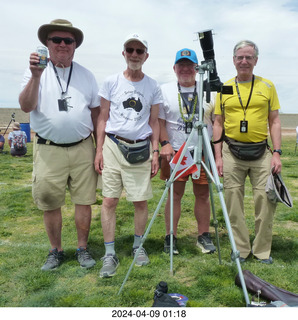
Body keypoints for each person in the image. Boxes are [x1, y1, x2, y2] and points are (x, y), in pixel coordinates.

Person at [19, 19, 100, 271]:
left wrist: (99, 149)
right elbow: (25, 106)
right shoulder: (34, 72)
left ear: (75, 46)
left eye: (69, 40)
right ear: (47, 43)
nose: (63, 44)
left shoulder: (86, 75)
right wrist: (35, 76)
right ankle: (55, 250)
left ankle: (82, 248)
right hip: (48, 149)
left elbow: (97, 115)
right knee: (49, 201)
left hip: (82, 147)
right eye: (57, 40)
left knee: (84, 201)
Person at [94, 33, 162, 278]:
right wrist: (98, 149)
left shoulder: (152, 86)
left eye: (139, 50)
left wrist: (155, 152)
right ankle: (109, 253)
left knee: (140, 201)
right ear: (124, 53)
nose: (134, 54)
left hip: (140, 149)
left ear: (146, 56)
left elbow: (154, 121)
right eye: (130, 50)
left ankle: (138, 246)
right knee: (109, 200)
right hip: (113, 146)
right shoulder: (111, 82)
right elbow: (102, 118)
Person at [213, 40, 282, 264]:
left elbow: (275, 121)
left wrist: (277, 153)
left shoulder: (267, 86)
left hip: (261, 152)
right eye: (240, 57)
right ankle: (241, 250)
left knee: (266, 201)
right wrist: (217, 157)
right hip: (231, 152)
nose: (244, 61)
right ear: (233, 60)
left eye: (249, 57)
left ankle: (262, 251)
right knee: (233, 202)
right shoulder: (224, 88)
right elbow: (218, 123)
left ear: (256, 60)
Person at [159, 48, 216, 255]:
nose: (185, 69)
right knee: (175, 195)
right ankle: (170, 237)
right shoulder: (164, 90)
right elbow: (160, 122)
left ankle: (203, 235)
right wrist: (164, 142)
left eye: (189, 65)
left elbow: (217, 121)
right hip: (176, 151)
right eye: (181, 65)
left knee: (202, 195)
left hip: (202, 150)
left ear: (196, 68)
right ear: (174, 68)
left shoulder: (208, 90)